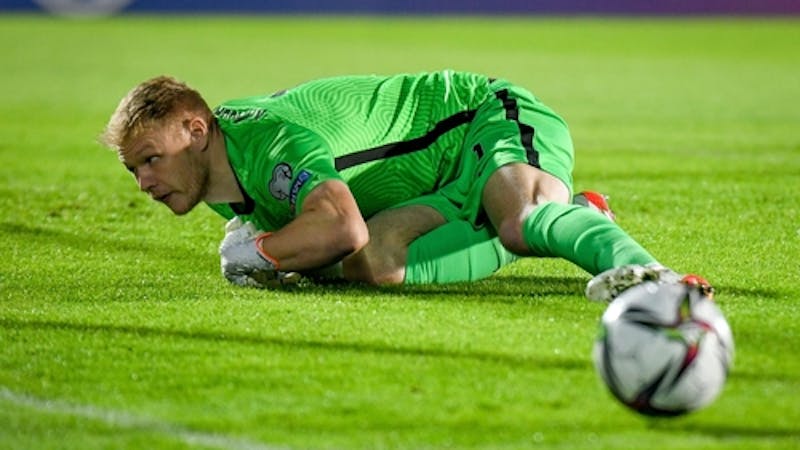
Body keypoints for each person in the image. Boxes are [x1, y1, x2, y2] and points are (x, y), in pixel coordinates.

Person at [101, 70, 707, 302]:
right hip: (440, 178)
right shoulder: (224, 176)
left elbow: (339, 223)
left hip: (484, 117)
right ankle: (578, 215)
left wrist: (261, 251)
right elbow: (346, 243)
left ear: (196, 130)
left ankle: (659, 282)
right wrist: (280, 251)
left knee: (521, 222)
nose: (144, 181)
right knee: (371, 266)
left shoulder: (272, 146)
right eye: (134, 169)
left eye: (150, 160)